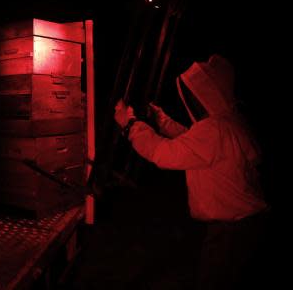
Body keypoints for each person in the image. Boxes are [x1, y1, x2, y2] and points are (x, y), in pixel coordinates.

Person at [113, 54, 269, 289]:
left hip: (232, 232)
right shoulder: (227, 122)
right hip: (242, 227)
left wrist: (130, 124)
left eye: (194, 93)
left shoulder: (215, 129)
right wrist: (162, 119)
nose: (192, 99)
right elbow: (191, 142)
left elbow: (164, 154)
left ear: (208, 93)